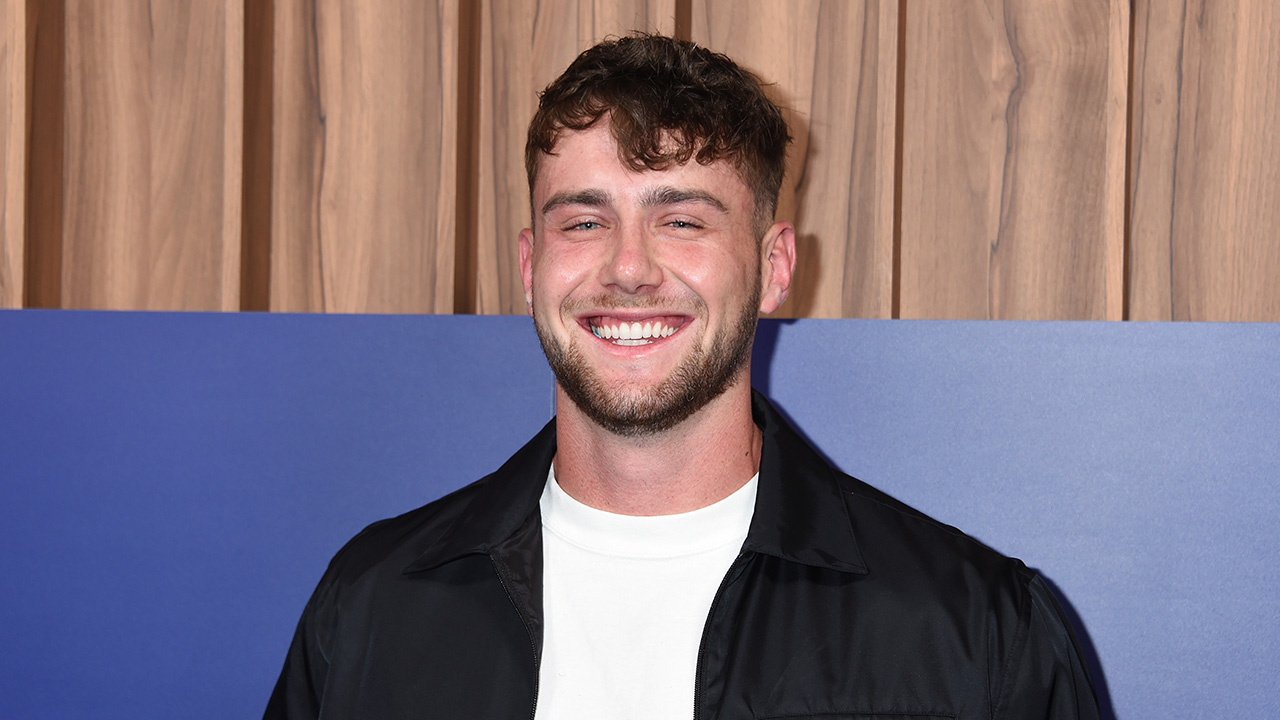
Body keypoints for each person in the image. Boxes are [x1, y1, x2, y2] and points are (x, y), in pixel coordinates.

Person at [265, 34, 1099, 720]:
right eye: (583, 221)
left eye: (683, 221)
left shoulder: (977, 633)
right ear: (529, 264)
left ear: (775, 268)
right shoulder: (373, 606)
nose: (628, 267)